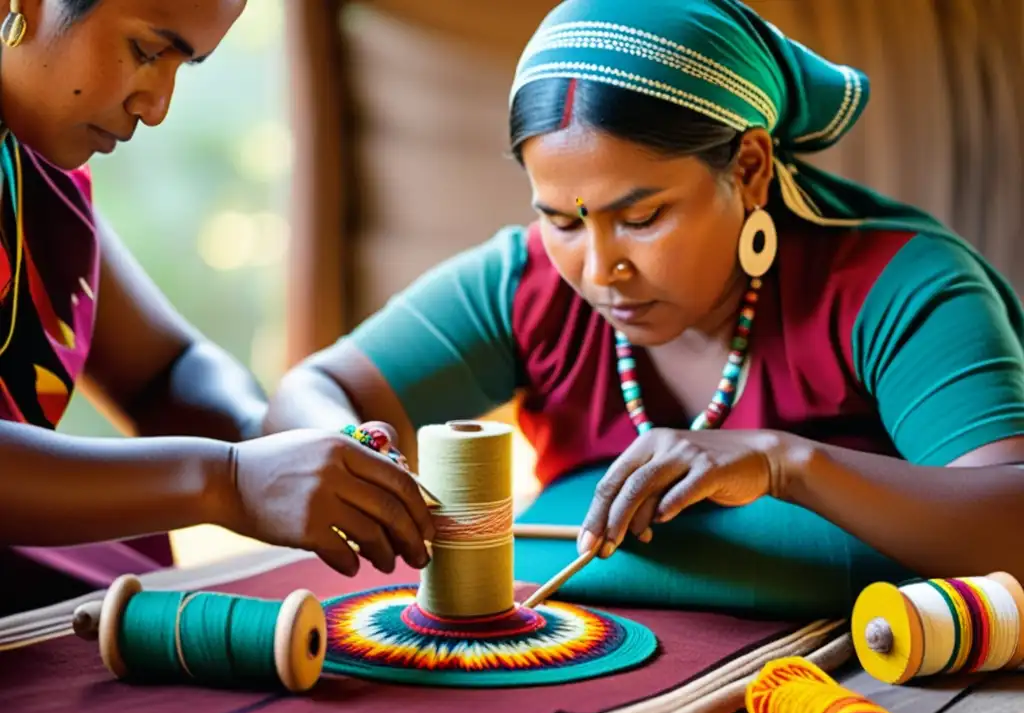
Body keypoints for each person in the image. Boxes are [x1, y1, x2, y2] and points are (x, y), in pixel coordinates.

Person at [265, 0, 1024, 615]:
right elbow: (305, 394)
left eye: (641, 216)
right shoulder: (524, 281)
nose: (600, 271)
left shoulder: (900, 284)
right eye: (562, 220)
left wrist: (785, 465)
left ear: (751, 168)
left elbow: (1012, 524)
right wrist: (352, 453)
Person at [0, 0, 432, 616]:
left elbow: (163, 370)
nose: (156, 107)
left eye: (185, 66)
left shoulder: (29, 171)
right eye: (147, 52)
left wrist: (275, 437)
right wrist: (226, 481)